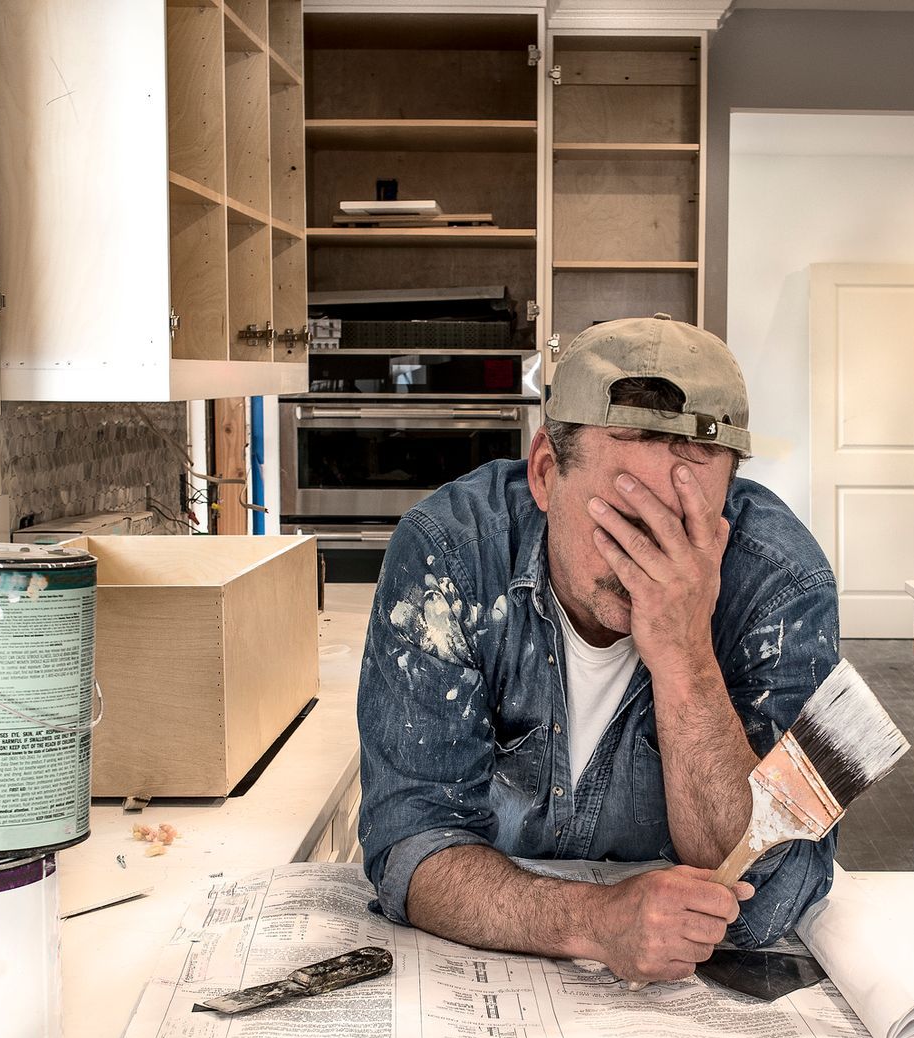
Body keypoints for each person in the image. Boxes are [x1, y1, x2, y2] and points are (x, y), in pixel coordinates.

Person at [356, 315, 840, 982]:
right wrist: (594, 922)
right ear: (548, 474)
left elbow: (772, 899)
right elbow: (410, 846)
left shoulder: (785, 583)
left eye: (686, 525)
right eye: (627, 521)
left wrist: (685, 655)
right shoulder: (449, 554)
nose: (654, 564)